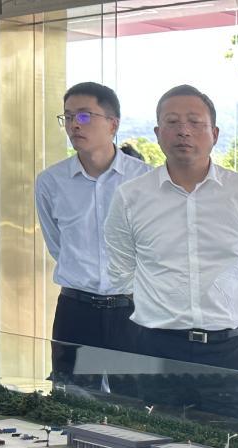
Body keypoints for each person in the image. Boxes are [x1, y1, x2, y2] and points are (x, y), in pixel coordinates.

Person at [105, 84, 238, 424]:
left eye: (194, 122)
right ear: (158, 133)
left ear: (214, 134)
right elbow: (121, 271)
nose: (184, 131)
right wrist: (166, 308)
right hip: (156, 349)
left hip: (231, 353)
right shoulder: (131, 197)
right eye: (172, 122)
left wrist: (228, 305)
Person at [35, 81, 152, 392]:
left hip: (131, 311)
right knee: (71, 401)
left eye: (85, 116)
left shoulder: (145, 180)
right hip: (76, 311)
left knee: (133, 403)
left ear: (113, 124)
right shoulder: (51, 182)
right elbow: (58, 245)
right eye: (68, 116)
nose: (74, 124)